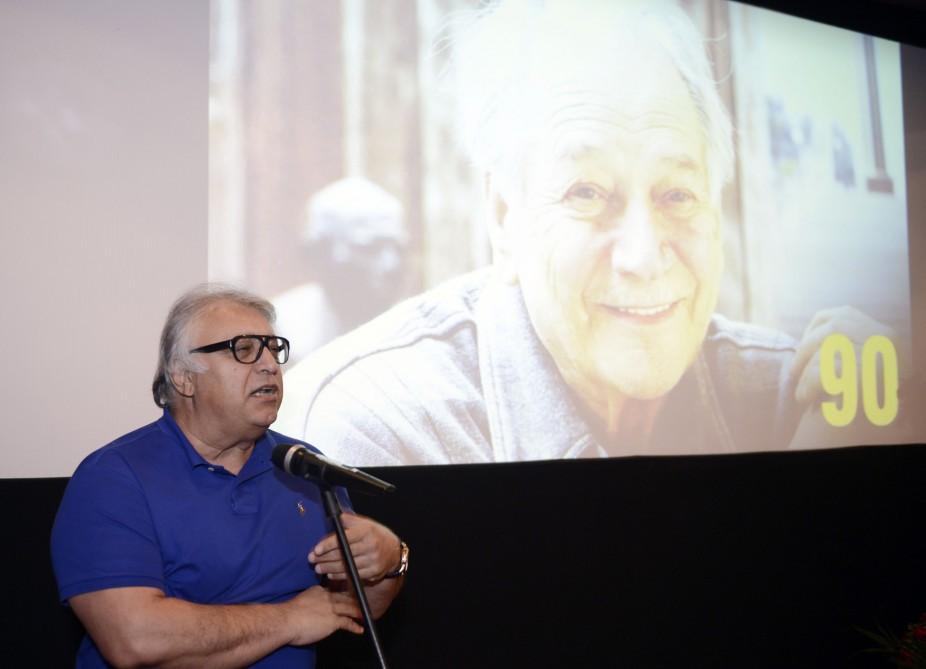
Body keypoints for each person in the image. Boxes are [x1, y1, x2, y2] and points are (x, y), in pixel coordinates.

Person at [273, 0, 894, 464]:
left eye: (677, 194)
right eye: (587, 193)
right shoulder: (372, 428)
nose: (643, 257)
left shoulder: (791, 397)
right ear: (504, 217)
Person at [51, 285, 407, 668]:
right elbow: (135, 640)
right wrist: (288, 619)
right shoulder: (114, 478)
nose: (270, 365)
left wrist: (390, 561)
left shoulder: (303, 466)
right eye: (244, 349)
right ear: (184, 378)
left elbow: (351, 608)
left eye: (273, 349)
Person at [273, 177, 408, 366]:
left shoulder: (414, 327)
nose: (391, 265)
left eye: (398, 249)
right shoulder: (282, 329)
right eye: (370, 248)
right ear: (318, 254)